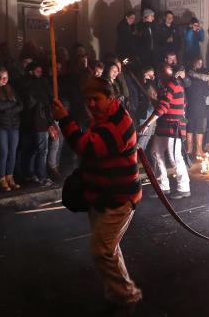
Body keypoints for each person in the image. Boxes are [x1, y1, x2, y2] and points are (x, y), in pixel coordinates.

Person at [51, 77, 143, 310]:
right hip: (101, 196)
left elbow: (88, 148)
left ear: (110, 98)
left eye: (96, 99)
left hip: (119, 198)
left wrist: (65, 120)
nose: (91, 104)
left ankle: (126, 295)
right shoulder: (104, 117)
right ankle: (118, 291)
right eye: (87, 100)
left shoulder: (118, 123)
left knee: (102, 250)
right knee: (108, 248)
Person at [138, 62, 190, 199]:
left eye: (163, 72)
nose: (160, 74)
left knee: (175, 158)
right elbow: (164, 103)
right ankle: (163, 186)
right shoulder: (165, 86)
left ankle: (184, 188)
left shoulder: (173, 84)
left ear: (169, 73)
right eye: (160, 72)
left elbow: (163, 107)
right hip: (164, 125)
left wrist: (146, 124)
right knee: (155, 152)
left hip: (174, 126)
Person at [0, 67, 23, 191]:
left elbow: (21, 105)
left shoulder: (11, 89)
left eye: (5, 77)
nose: (3, 80)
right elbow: (0, 106)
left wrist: (7, 109)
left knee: (12, 152)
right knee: (4, 152)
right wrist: (11, 104)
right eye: (1, 77)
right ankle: (1, 179)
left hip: (14, 125)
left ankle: (10, 177)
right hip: (1, 126)